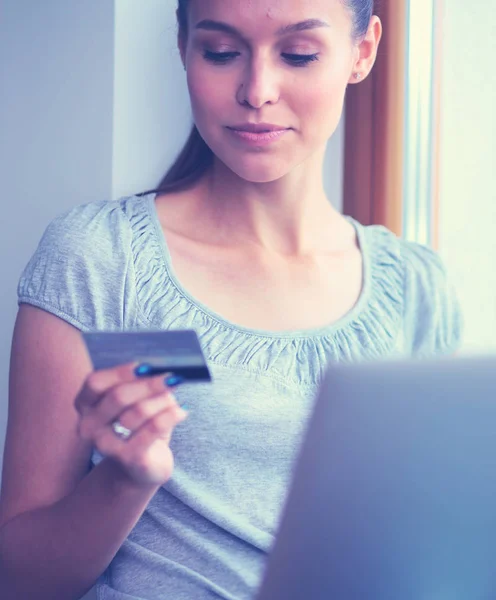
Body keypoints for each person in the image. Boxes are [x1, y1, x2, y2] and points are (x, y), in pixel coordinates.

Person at [0, 1, 463, 599]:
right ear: (184, 47)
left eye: (298, 55)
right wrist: (123, 480)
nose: (257, 91)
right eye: (221, 53)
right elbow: (17, 582)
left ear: (363, 52)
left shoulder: (417, 289)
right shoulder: (100, 258)